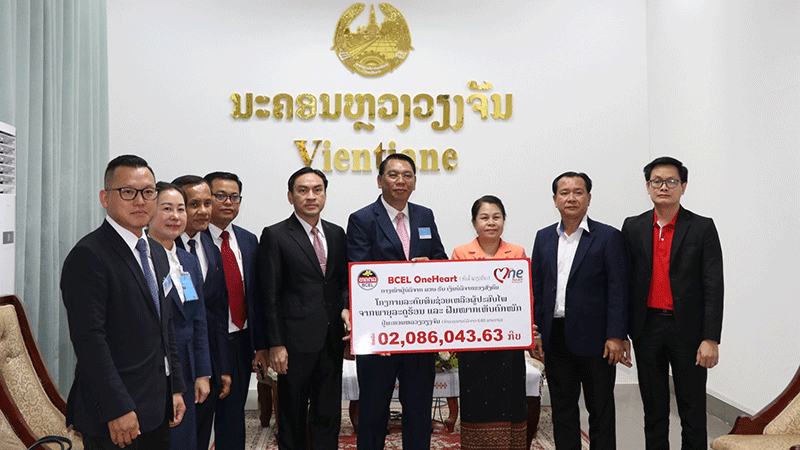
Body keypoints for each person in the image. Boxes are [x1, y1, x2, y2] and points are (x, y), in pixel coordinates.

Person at [61, 155, 185, 449]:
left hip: (156, 406)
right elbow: (89, 341)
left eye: (148, 192)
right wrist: (116, 407)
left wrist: (175, 387)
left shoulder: (156, 251)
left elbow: (165, 327)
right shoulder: (89, 255)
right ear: (105, 198)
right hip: (115, 415)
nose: (140, 201)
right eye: (128, 192)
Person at [346, 153, 448, 450]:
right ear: (380, 180)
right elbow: (359, 273)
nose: (400, 181)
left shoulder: (425, 215)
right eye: (393, 175)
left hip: (419, 330)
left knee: (419, 408)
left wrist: (430, 265)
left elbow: (441, 260)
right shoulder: (363, 219)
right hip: (380, 332)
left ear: (414, 182)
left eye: (407, 175)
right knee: (373, 409)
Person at [621, 157, 723, 450]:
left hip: (688, 332)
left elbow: (714, 286)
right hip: (647, 328)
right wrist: (622, 332)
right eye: (657, 181)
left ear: (683, 186)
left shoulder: (702, 227)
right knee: (653, 411)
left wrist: (710, 338)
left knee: (693, 410)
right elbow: (624, 282)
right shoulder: (633, 227)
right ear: (647, 186)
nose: (663, 187)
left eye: (671, 181)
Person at [253, 167, 351, 450]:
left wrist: (346, 309)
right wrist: (275, 344)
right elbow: (268, 295)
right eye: (303, 190)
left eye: (317, 190)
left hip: (331, 340)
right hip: (293, 344)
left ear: (325, 195)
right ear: (290, 196)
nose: (311, 196)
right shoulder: (275, 235)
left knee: (328, 414)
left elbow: (341, 283)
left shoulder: (336, 233)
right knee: (292, 415)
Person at [530, 171, 628, 450]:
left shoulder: (608, 237)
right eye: (564, 193)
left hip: (597, 340)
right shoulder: (544, 237)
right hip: (556, 337)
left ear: (588, 197)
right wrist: (537, 333)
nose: (571, 198)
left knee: (601, 410)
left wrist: (616, 335)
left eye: (578, 192)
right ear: (555, 199)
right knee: (563, 409)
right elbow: (537, 288)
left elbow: (618, 289)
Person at [451, 195, 528, 450]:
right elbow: (454, 297)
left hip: (509, 342)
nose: (491, 222)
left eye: (496, 217)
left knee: (510, 398)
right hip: (473, 342)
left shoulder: (516, 252)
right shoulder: (461, 253)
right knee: (477, 399)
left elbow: (525, 296)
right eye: (484, 218)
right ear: (474, 223)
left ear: (504, 221)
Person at [148, 182, 212, 450]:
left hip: (188, 366)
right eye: (167, 209)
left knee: (186, 440)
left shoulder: (188, 261)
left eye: (181, 209)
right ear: (148, 211)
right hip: (157, 369)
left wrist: (203, 372)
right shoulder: (142, 261)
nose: (175, 216)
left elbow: (198, 320)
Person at [204, 171, 264, 450]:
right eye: (220, 196)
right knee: (200, 417)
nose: (228, 202)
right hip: (206, 343)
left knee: (233, 418)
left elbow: (256, 296)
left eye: (234, 196)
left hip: (240, 341)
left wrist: (260, 346)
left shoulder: (248, 240)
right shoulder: (191, 239)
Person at [172, 175, 231, 450]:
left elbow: (217, 314)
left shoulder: (209, 245)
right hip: (176, 365)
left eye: (208, 203)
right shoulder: (162, 248)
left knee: (202, 434)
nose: (204, 211)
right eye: (194, 204)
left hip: (206, 364)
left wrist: (220, 368)